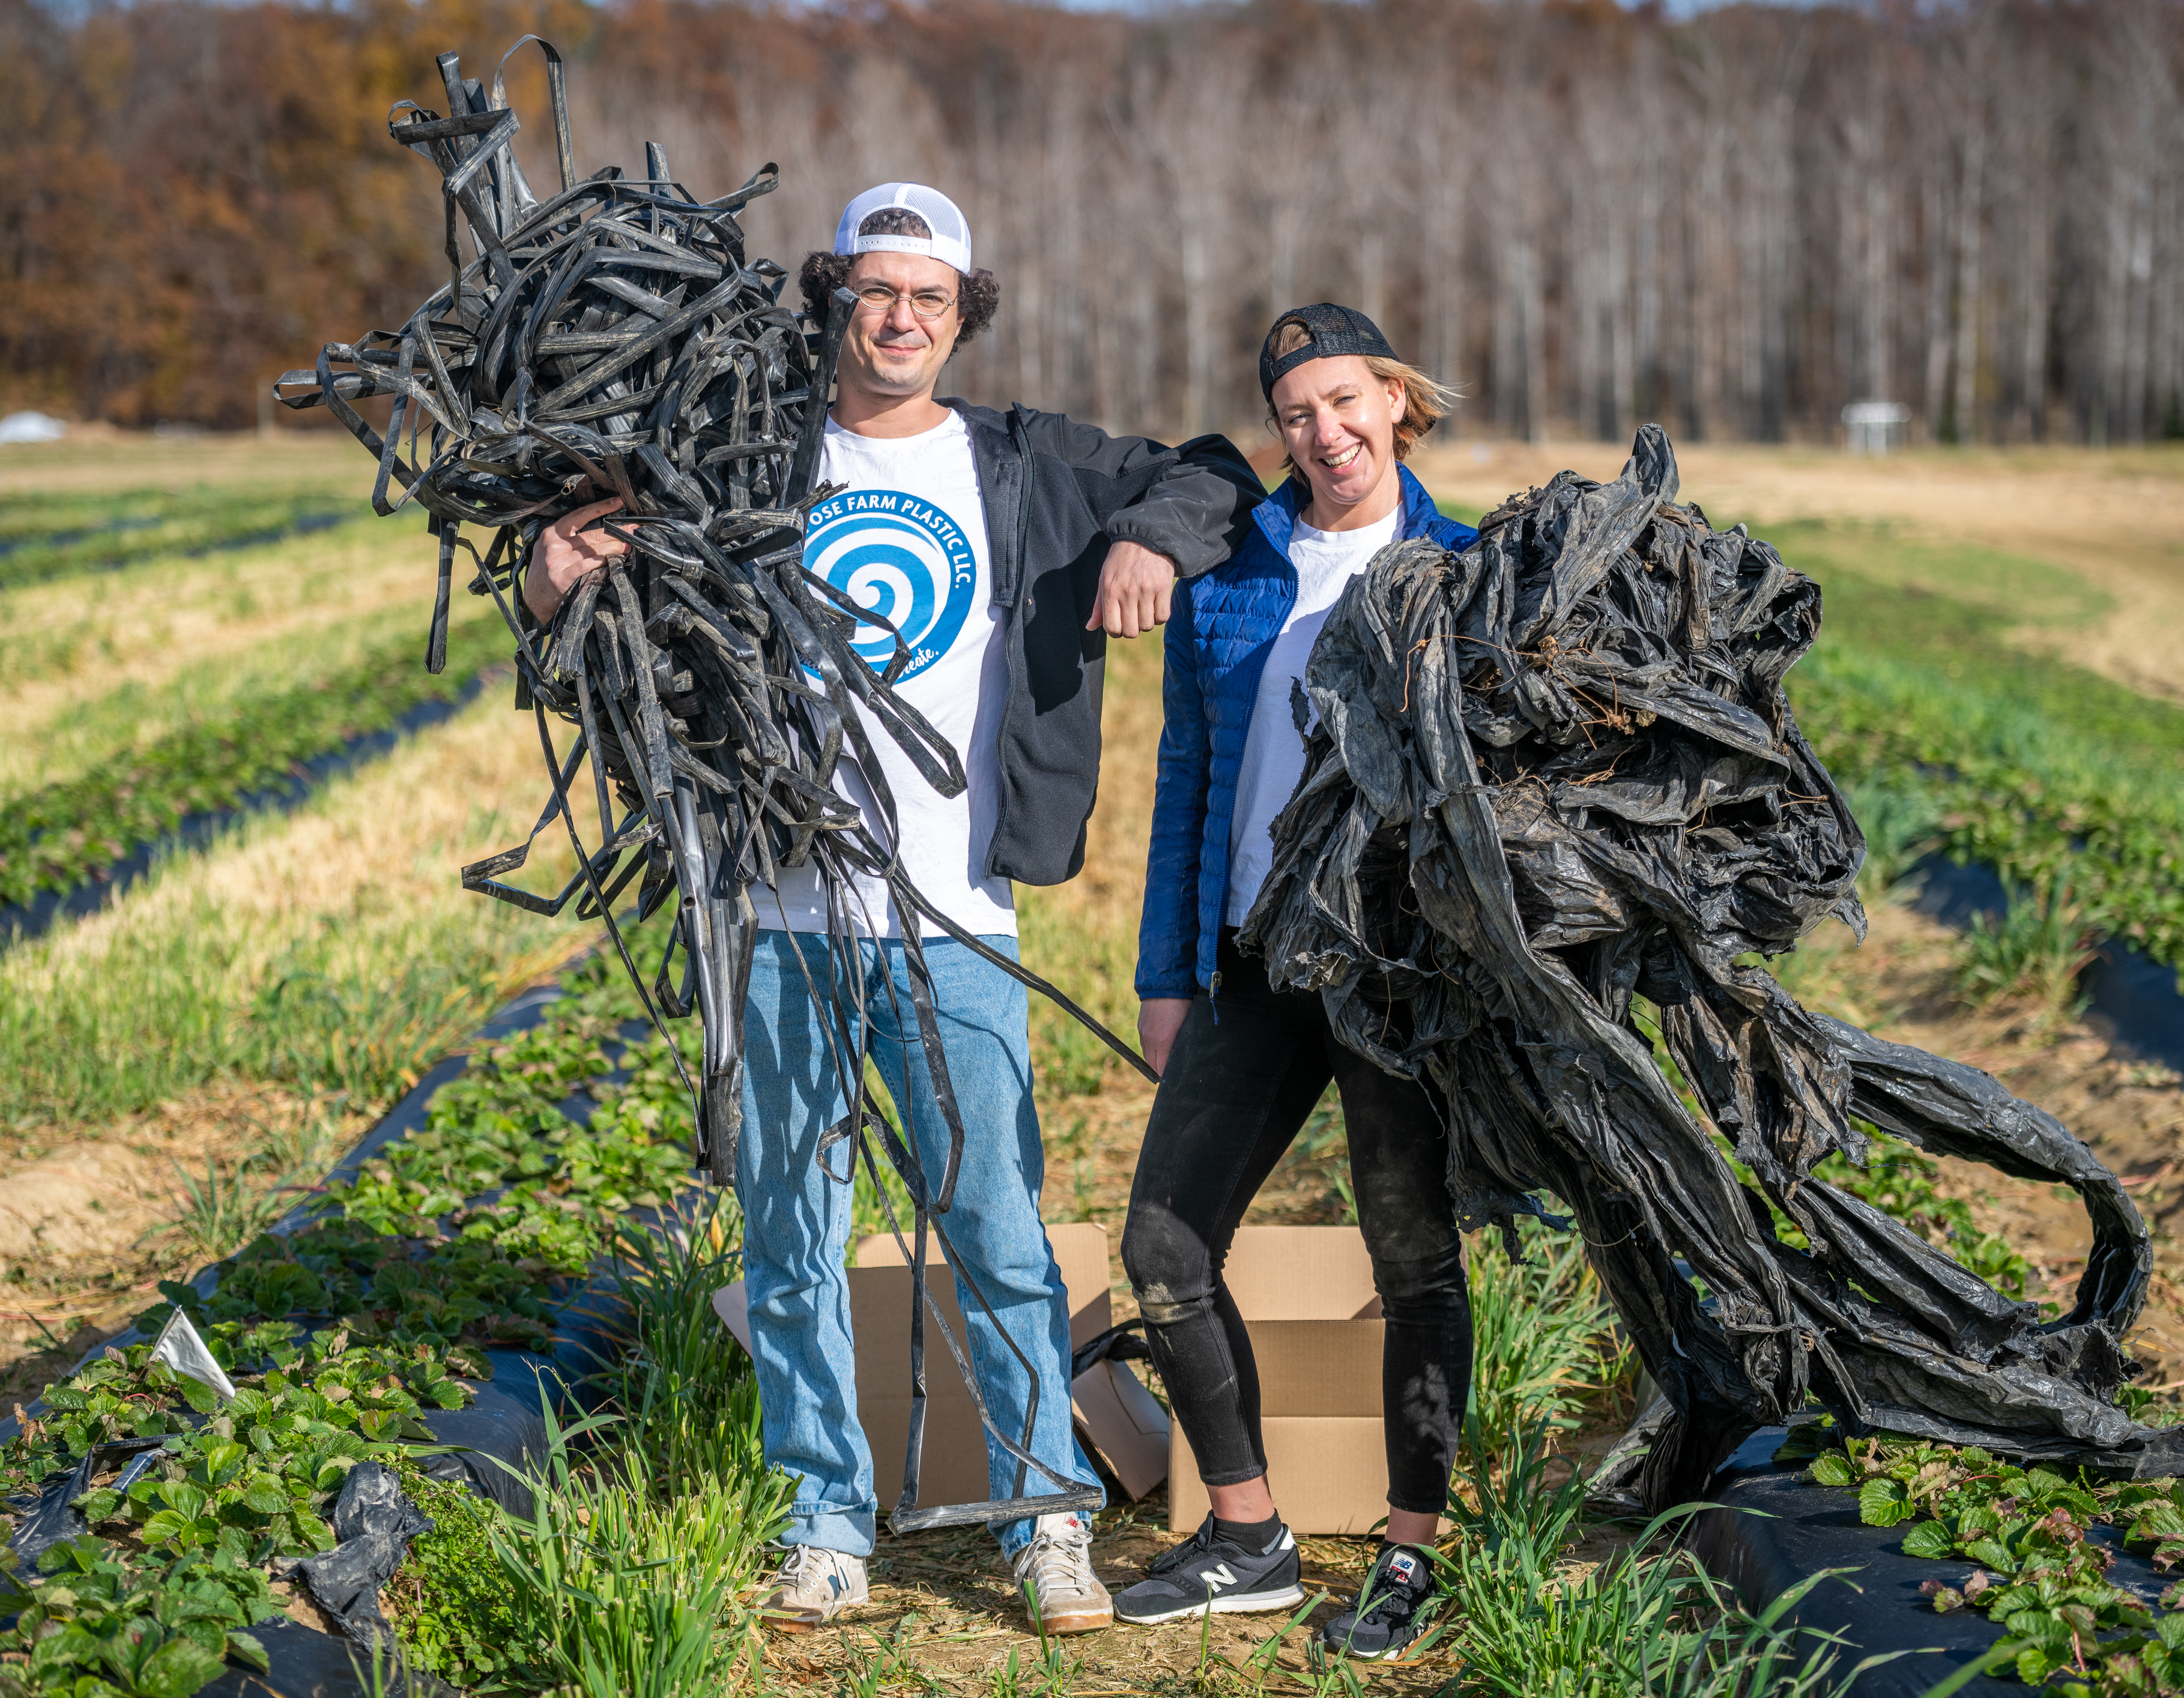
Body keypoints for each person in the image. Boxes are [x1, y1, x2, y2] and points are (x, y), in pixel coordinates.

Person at [521, 183, 1259, 1637]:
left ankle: (1049, 1517)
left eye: (929, 296)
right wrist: (551, 586)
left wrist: (1149, 543)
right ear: (834, 299)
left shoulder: (1025, 463)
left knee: (995, 1225)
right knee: (787, 1231)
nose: (901, 318)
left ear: (963, 311)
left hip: (955, 916)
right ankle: (824, 1524)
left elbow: (1218, 472)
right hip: (776, 912)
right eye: (875, 291)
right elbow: (586, 597)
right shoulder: (742, 455)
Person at [1117, 304, 1477, 1661]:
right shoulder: (1235, 566)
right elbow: (1187, 780)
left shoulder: (1466, 567)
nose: (1322, 434)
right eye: (1295, 413)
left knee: (1414, 1259)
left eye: (1344, 402)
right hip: (1255, 956)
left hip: (1400, 974)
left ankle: (1408, 1551)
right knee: (1165, 1245)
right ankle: (1249, 1534)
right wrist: (1168, 968)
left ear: (1396, 400)